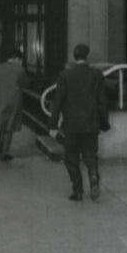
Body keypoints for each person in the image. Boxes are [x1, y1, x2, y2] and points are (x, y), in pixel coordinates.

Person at [49, 43, 111, 202]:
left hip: (71, 124)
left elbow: (58, 101)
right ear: (87, 56)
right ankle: (93, 177)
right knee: (90, 155)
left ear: (74, 56)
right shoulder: (97, 75)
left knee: (71, 158)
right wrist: (104, 123)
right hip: (91, 123)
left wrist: (53, 125)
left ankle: (77, 191)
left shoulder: (65, 75)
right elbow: (102, 102)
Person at [0, 48, 28, 162]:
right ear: (17, 59)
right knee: (9, 126)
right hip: (13, 101)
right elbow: (25, 83)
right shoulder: (19, 69)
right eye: (20, 60)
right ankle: (4, 152)